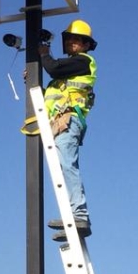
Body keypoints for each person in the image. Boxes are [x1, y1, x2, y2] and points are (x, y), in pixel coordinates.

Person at [38, 19, 98, 242]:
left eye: (78, 40)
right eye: (70, 39)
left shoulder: (83, 62)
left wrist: (44, 53)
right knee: (63, 167)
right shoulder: (66, 75)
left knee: (67, 166)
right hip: (58, 122)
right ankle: (73, 217)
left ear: (86, 45)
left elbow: (52, 68)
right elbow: (49, 95)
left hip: (69, 120)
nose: (73, 42)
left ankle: (79, 215)